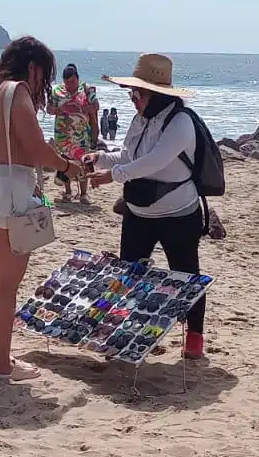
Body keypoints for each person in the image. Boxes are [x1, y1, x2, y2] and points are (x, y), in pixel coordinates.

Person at [0, 37, 83, 385]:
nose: (44, 84)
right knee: (7, 285)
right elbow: (38, 148)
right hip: (7, 192)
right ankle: (0, 365)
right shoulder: (18, 91)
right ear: (34, 67)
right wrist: (68, 167)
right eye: (45, 75)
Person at [86, 53, 208, 360]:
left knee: (186, 277)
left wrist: (113, 176)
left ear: (156, 95)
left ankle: (194, 337)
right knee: (128, 274)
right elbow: (129, 157)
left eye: (137, 94)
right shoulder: (140, 120)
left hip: (178, 214)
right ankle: (125, 332)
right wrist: (100, 158)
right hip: (138, 213)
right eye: (131, 93)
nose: (132, 99)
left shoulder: (181, 122)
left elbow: (154, 162)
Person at [50, 64, 101, 204]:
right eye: (67, 83)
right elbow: (49, 109)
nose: (70, 85)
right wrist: (60, 109)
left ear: (78, 79)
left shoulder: (86, 89)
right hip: (63, 135)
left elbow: (96, 106)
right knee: (65, 163)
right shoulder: (57, 91)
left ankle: (84, 194)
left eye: (72, 82)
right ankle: (67, 192)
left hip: (81, 135)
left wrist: (83, 108)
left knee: (84, 163)